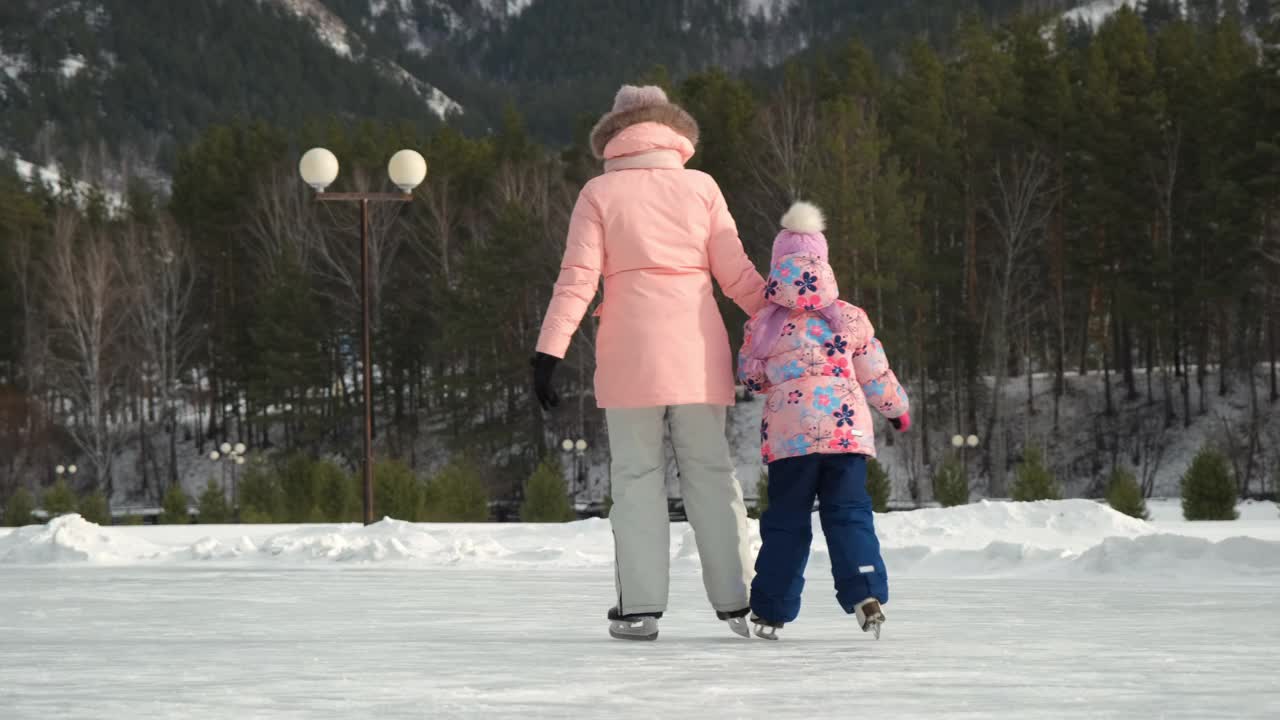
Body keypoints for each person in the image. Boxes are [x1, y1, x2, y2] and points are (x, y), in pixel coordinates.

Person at [532, 85, 767, 641]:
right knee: (711, 474)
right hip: (697, 351)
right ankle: (739, 603)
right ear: (672, 131)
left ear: (615, 132)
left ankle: (638, 609)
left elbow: (577, 281)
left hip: (629, 355)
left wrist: (549, 351)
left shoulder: (599, 192)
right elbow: (738, 276)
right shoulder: (702, 187)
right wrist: (789, 324)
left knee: (637, 479)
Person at [738, 201, 910, 640]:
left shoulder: (761, 324)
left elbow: (751, 377)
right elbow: (876, 374)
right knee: (849, 514)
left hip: (790, 442)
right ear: (824, 263)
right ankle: (866, 592)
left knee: (787, 521)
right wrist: (896, 410)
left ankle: (771, 611)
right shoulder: (851, 317)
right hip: (845, 435)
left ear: (777, 268)